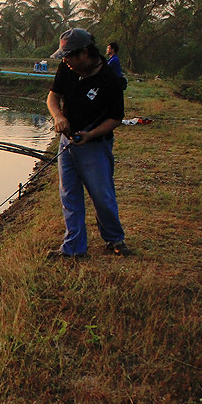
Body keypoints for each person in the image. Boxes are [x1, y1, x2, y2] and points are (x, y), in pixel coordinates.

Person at [46, 27, 130, 258]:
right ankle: (74, 247)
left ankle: (114, 239)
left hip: (94, 145)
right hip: (67, 143)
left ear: (85, 53)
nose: (66, 62)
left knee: (102, 195)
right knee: (69, 195)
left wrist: (90, 135)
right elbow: (53, 96)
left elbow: (116, 118)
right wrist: (59, 117)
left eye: (70, 56)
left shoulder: (110, 79)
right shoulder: (67, 69)